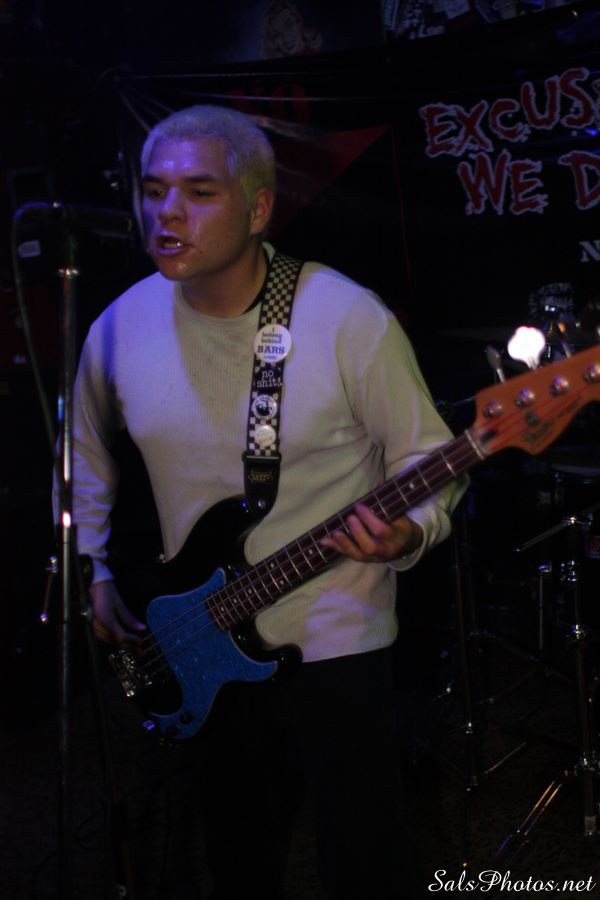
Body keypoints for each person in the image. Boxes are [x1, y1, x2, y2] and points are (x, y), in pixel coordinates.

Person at [65, 104, 466, 899]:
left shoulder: (343, 317)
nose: (166, 213)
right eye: (152, 190)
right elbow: (84, 458)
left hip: (337, 636)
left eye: (198, 192)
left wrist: (409, 533)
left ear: (257, 209)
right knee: (238, 862)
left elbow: (430, 456)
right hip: (203, 642)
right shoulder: (114, 330)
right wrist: (94, 567)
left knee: (365, 862)